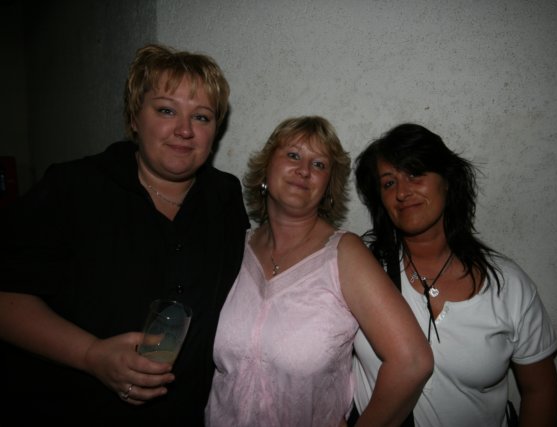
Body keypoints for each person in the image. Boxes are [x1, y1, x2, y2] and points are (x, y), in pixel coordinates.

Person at [0, 44, 249, 426]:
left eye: (201, 117)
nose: (185, 130)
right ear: (134, 117)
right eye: (166, 110)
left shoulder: (225, 195)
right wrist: (91, 354)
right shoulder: (73, 188)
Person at [205, 116, 433, 426]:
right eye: (293, 155)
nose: (304, 170)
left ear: (327, 187)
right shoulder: (234, 247)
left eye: (319, 165)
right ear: (266, 169)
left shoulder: (344, 254)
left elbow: (413, 361)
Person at [351, 123, 557, 427]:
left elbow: (539, 390)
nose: (402, 192)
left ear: (447, 181)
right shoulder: (361, 271)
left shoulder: (509, 287)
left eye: (415, 173)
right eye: (389, 183)